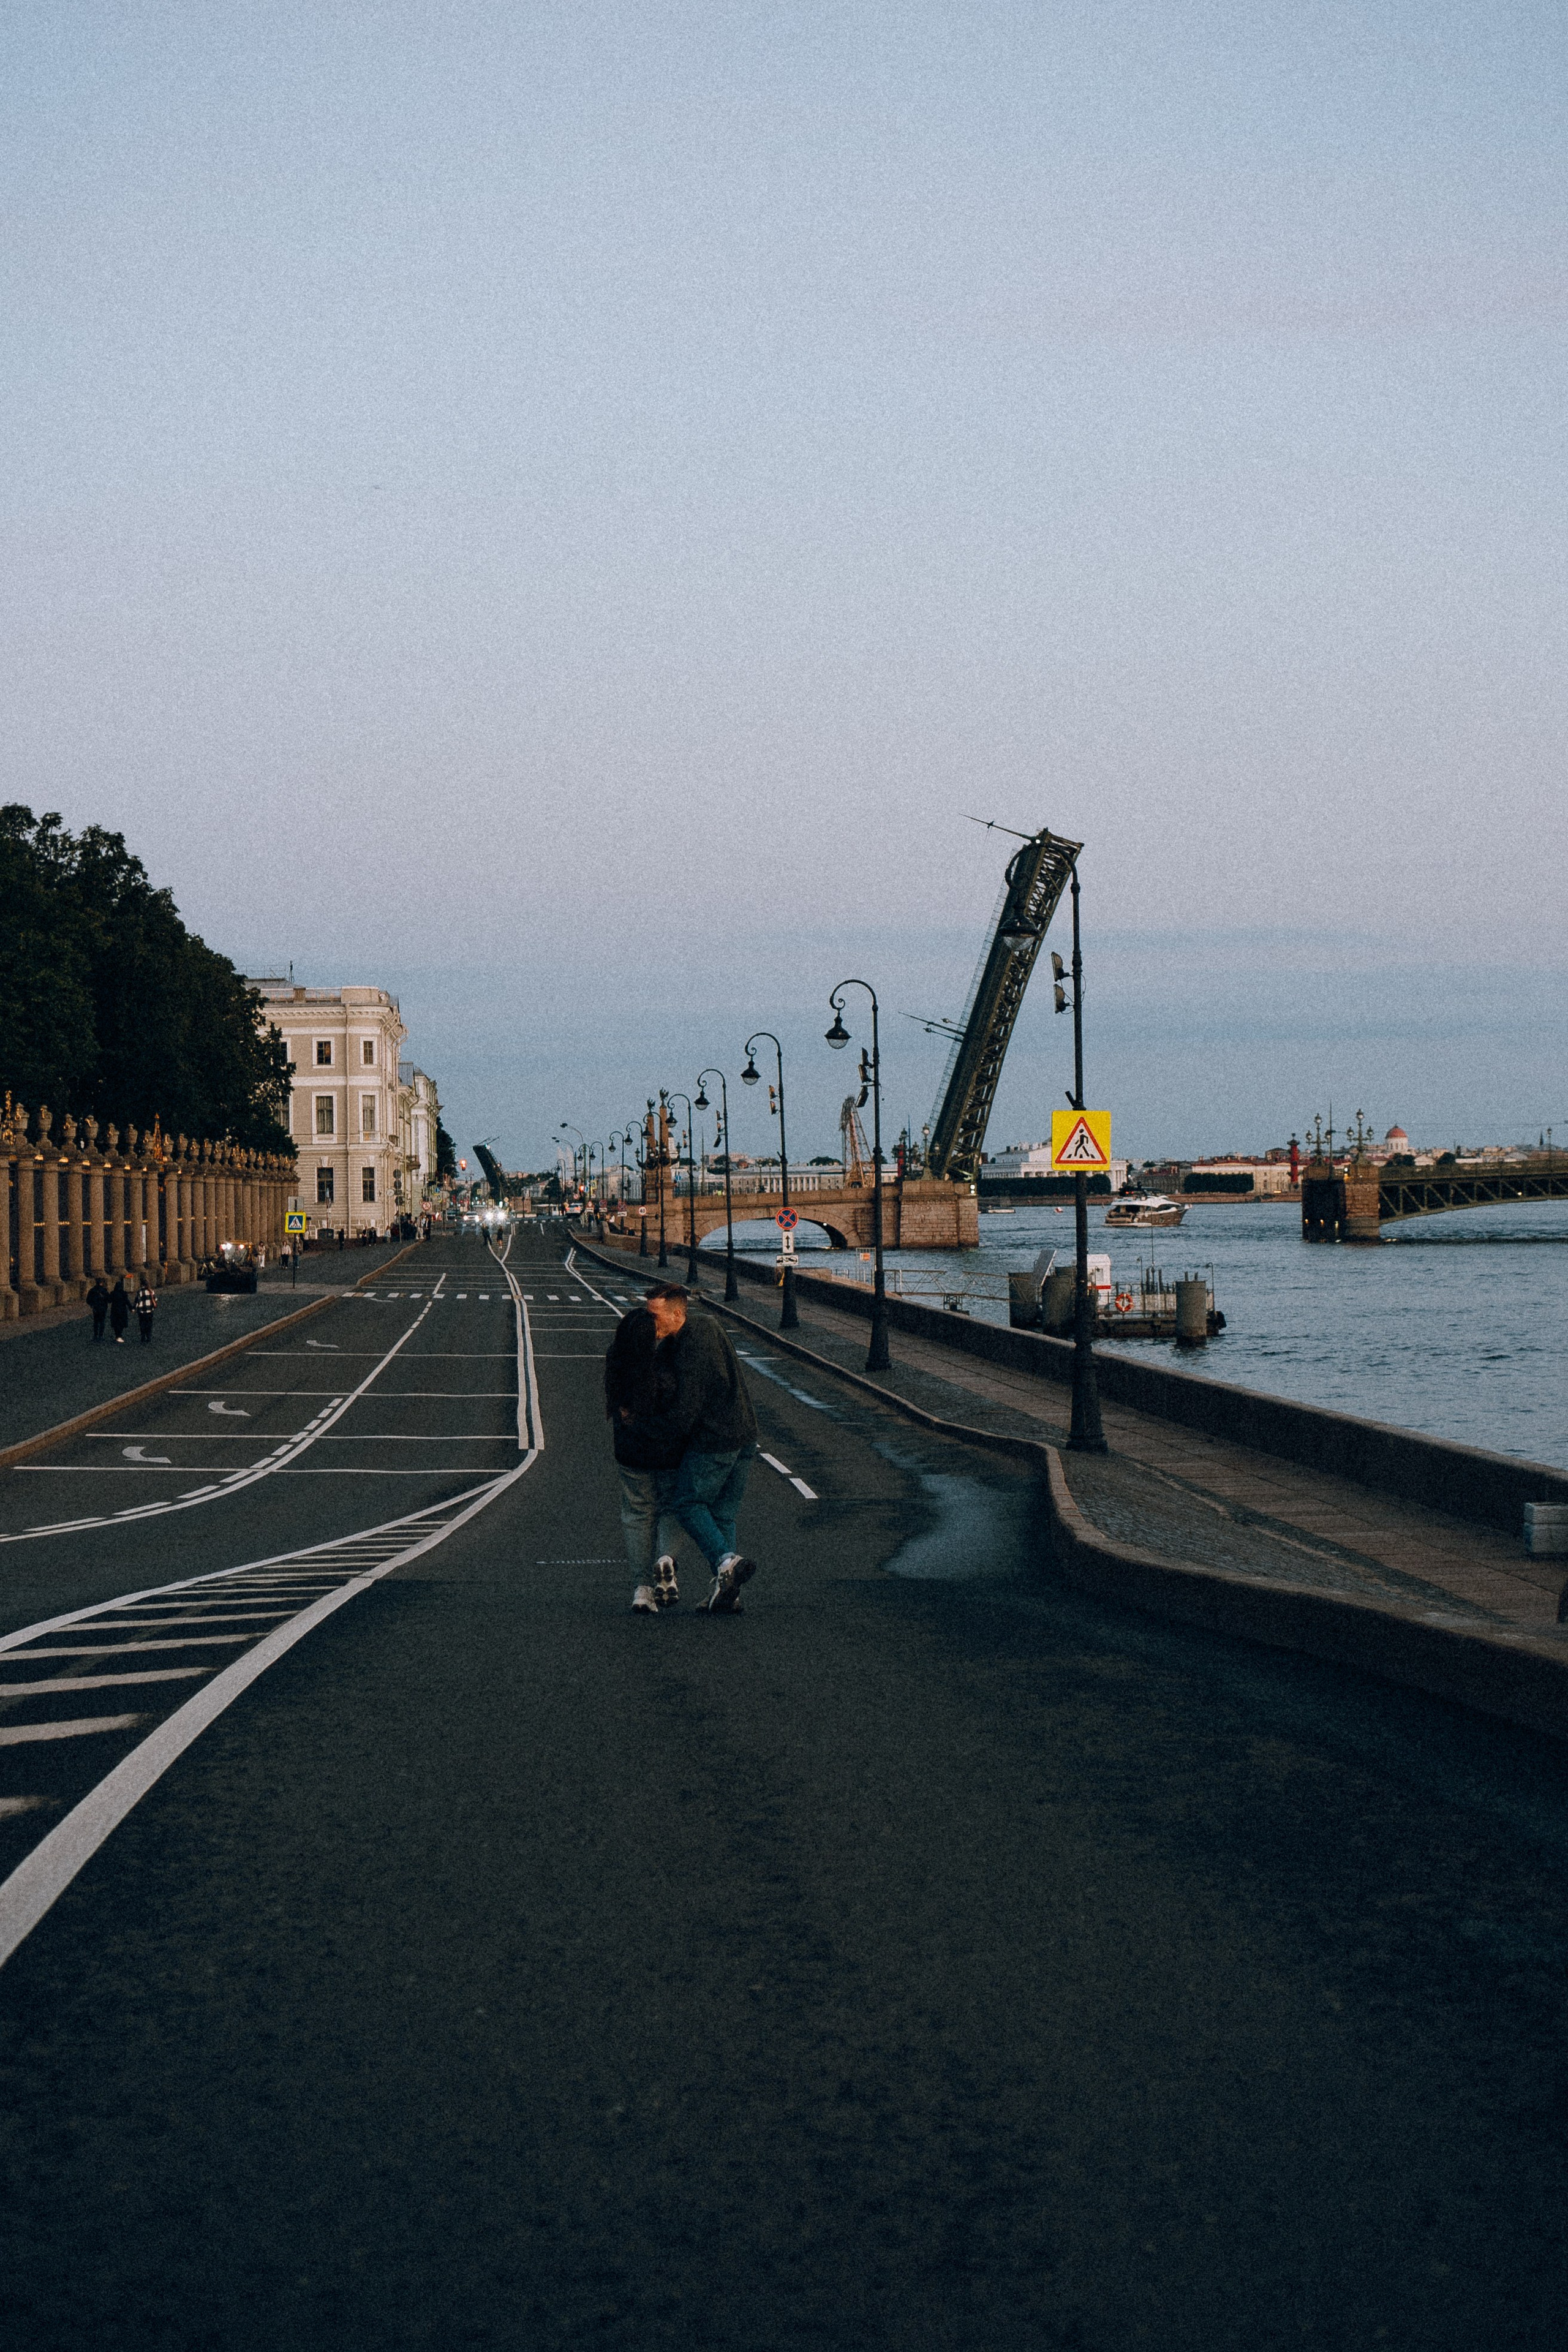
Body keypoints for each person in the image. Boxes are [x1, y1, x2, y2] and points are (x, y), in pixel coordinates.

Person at [642, 1283, 760, 1613]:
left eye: (655, 1316)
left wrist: (646, 1430)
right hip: (744, 1434)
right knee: (723, 1515)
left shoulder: (693, 1347)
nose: (651, 1323)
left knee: (688, 1503)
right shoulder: (705, 1327)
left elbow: (685, 1411)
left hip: (715, 1440)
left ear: (677, 1313)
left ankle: (725, 1563)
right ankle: (729, 1594)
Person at [604, 1305, 686, 1613]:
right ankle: (666, 1559)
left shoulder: (616, 1358)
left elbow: (618, 1406)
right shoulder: (664, 1364)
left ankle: (642, 1589)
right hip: (667, 1453)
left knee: (637, 1514)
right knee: (670, 1508)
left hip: (629, 1452)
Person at [107, 1276, 131, 1344]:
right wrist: (131, 1308)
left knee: (116, 1323)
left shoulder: (113, 1293)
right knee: (121, 1323)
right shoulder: (124, 1293)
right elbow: (127, 1301)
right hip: (122, 1310)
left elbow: (109, 1301)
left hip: (115, 1310)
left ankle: (117, 1335)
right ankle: (119, 1335)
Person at [134, 1276, 157, 1343]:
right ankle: (149, 1337)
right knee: (149, 1325)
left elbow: (137, 1301)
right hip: (150, 1310)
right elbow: (155, 1300)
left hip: (142, 1311)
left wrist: (134, 1309)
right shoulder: (151, 1291)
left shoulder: (140, 1292)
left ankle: (143, 1337)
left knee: (142, 1325)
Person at [86, 1276, 110, 1341]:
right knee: (102, 1322)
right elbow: (109, 1300)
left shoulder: (92, 1290)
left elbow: (88, 1300)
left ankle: (95, 1335)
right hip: (103, 1308)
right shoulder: (104, 1290)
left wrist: (92, 1304)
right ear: (101, 1283)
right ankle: (101, 1336)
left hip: (96, 1308)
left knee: (96, 1322)